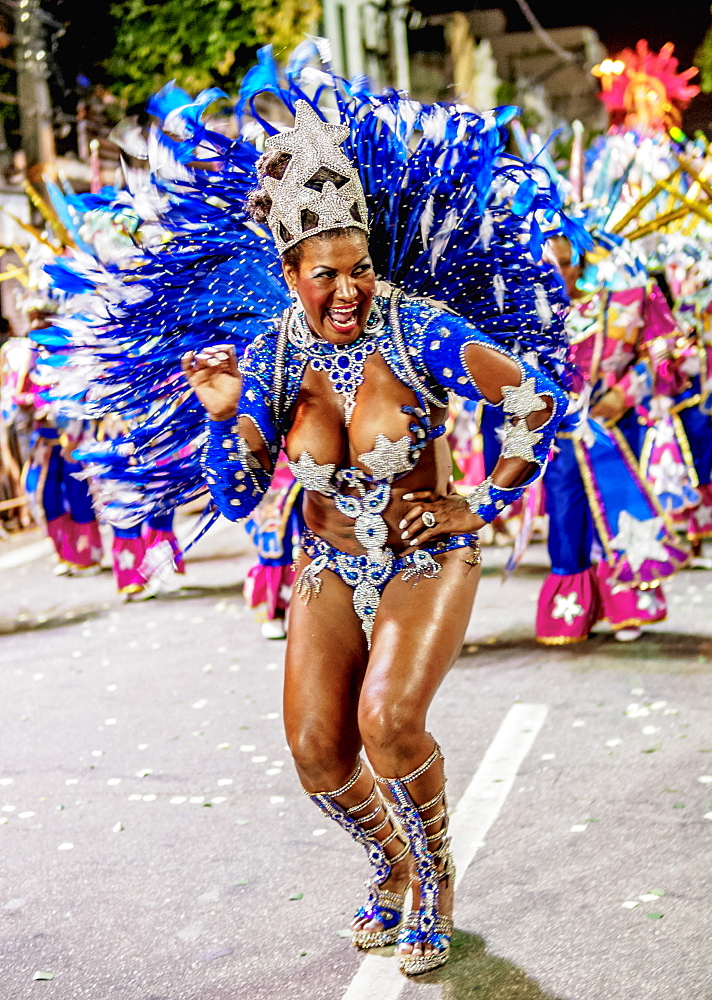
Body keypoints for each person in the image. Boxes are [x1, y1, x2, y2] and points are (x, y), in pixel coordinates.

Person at [180, 100, 568, 976]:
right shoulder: (275, 353)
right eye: (326, 274)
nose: (347, 289)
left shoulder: (415, 325)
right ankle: (388, 862)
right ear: (290, 271)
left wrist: (482, 501)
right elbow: (240, 494)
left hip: (428, 555)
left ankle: (433, 877)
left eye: (357, 268)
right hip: (326, 564)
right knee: (318, 751)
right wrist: (224, 416)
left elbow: (533, 398)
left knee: (388, 721)